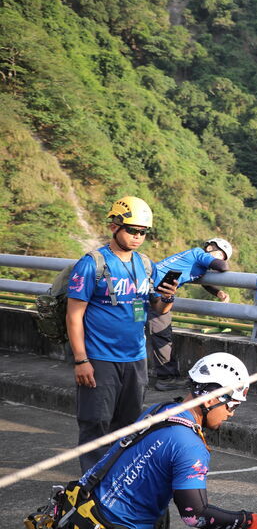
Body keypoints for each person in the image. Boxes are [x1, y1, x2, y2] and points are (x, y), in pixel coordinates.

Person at [43, 353, 257, 529]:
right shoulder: (189, 445)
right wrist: (245, 519)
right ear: (211, 399)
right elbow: (195, 515)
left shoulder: (163, 409)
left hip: (84, 510)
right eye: (232, 405)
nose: (232, 413)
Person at [67, 196, 179, 470]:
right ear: (114, 226)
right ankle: (92, 482)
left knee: (128, 425)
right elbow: (74, 315)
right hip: (100, 358)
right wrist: (81, 360)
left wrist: (168, 296)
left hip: (135, 357)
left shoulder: (145, 264)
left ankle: (117, 477)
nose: (138, 237)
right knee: (96, 423)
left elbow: (158, 309)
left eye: (143, 232)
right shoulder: (93, 264)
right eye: (132, 230)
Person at [149, 238, 234, 391]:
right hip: (154, 294)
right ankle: (166, 379)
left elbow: (203, 281)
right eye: (220, 254)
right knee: (162, 335)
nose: (221, 259)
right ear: (210, 248)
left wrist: (218, 292)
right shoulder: (198, 253)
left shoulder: (197, 261)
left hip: (149, 289)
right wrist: (219, 261)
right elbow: (223, 267)